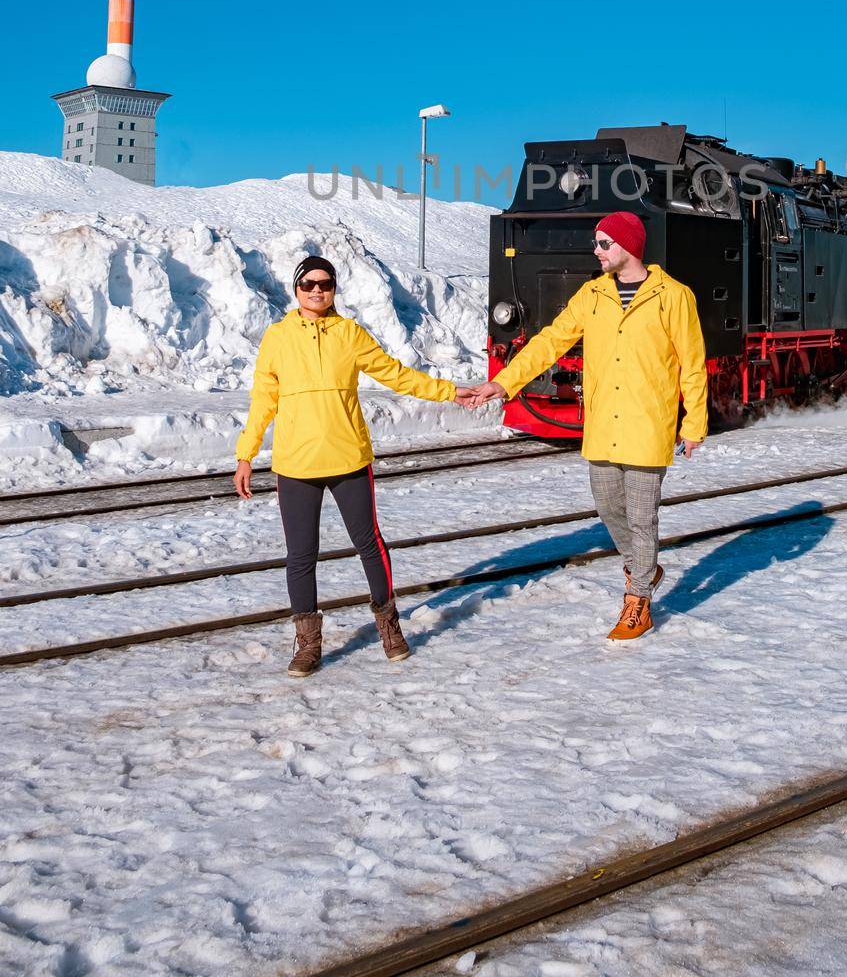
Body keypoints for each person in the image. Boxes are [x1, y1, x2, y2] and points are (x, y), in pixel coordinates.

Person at [233, 255, 479, 677]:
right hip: (296, 463)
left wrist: (448, 392)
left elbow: (397, 375)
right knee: (300, 556)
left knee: (371, 546)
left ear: (333, 290)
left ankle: (389, 627)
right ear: (296, 288)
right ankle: (308, 643)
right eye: (309, 283)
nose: (317, 290)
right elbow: (263, 400)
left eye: (325, 284)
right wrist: (246, 453)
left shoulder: (349, 334)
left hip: (348, 457)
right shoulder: (277, 338)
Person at [470, 212, 708, 642]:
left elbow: (692, 365)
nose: (595, 252)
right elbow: (549, 341)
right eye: (596, 244)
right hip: (603, 422)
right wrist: (503, 382)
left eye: (603, 244)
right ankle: (646, 567)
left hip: (648, 423)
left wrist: (694, 424)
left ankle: (638, 601)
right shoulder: (592, 294)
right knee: (607, 505)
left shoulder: (674, 296)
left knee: (641, 515)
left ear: (628, 246)